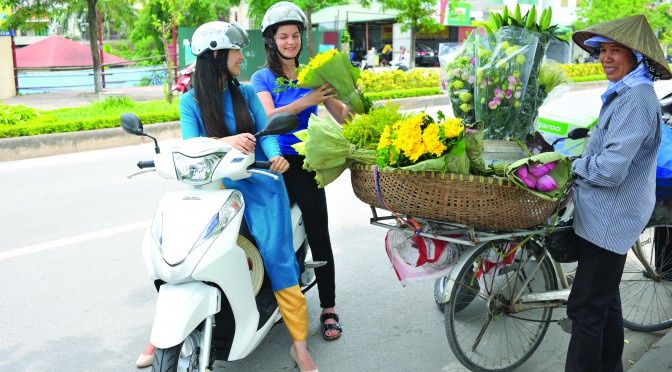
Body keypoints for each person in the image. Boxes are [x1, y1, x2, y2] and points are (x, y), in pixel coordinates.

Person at [136, 21, 318, 372]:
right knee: (182, 251)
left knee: (278, 256)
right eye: (236, 51)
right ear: (218, 54)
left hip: (259, 182)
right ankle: (162, 334)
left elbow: (264, 132)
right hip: (211, 188)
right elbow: (191, 144)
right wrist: (226, 143)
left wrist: (274, 154)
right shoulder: (190, 102)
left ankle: (299, 345)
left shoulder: (246, 92)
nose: (241, 57)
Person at [567, 14, 671, 371]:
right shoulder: (625, 93)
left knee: (585, 310)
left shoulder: (637, 100)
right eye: (603, 51)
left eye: (616, 51)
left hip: (610, 221)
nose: (606, 58)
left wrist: (573, 167)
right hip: (604, 216)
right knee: (604, 304)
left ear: (637, 57)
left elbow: (610, 171)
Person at [251, 1, 350, 345]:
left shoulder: (313, 72)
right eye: (283, 36)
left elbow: (341, 113)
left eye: (294, 36)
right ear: (271, 40)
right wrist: (307, 101)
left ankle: (328, 308)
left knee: (319, 231)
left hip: (305, 162)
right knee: (266, 235)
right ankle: (274, 302)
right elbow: (268, 117)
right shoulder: (260, 77)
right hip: (272, 161)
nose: (290, 42)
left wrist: (354, 98)